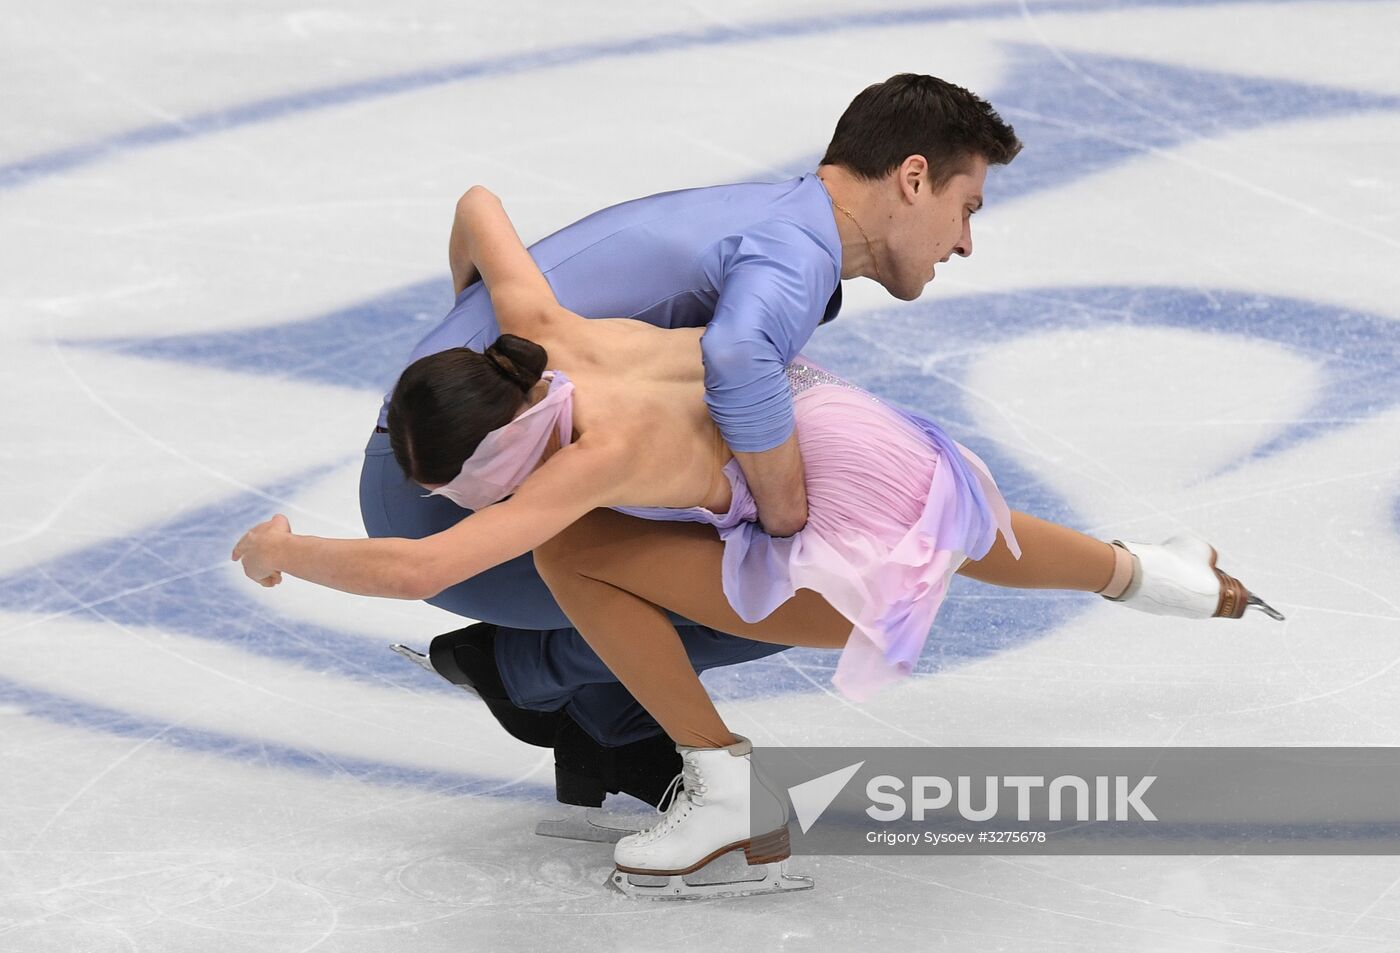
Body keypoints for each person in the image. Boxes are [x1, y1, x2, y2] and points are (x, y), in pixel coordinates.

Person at [233, 184, 1281, 896]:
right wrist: (456, 310)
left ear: (507, 433)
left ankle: (723, 785)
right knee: (943, 516)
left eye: (465, 481)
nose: (467, 500)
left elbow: (422, 566)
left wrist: (286, 548)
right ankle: (1152, 571)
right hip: (853, 431)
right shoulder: (538, 334)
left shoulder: (595, 452)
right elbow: (477, 207)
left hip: (830, 560)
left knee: (568, 553)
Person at [356, 74, 1026, 806]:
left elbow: (475, 208)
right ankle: (522, 670)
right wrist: (787, 518)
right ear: (914, 178)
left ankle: (605, 723)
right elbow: (737, 355)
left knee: (727, 526)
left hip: (412, 448)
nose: (964, 241)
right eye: (966, 210)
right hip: (434, 498)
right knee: (793, 577)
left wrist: (477, 352)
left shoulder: (774, 217)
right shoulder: (794, 254)